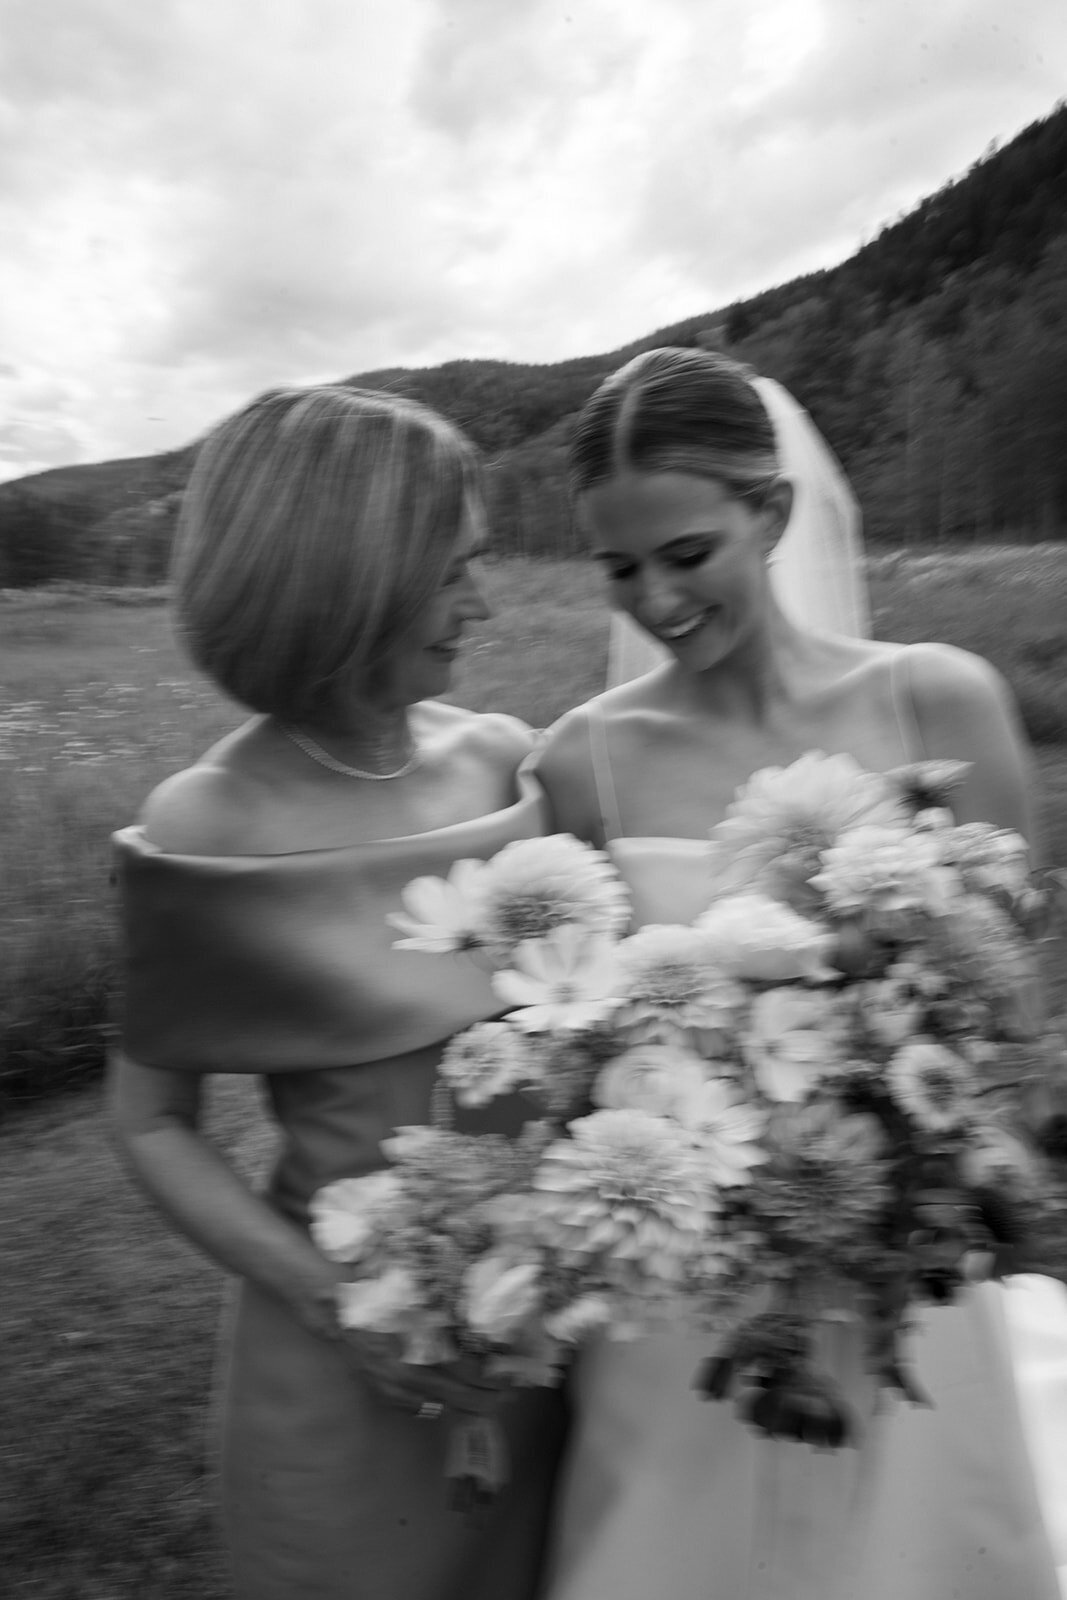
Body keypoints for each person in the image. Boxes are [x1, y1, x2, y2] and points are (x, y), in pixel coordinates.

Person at [534, 346, 1066, 1599]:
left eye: (686, 553)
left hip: (899, 1279)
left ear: (768, 513)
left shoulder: (940, 701)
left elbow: (1011, 1020)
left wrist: (919, 1182)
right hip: (679, 1305)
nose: (656, 601)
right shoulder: (578, 763)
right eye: (619, 568)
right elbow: (571, 1036)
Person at [108, 385, 567, 1600]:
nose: (484, 602)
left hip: (538, 1336)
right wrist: (337, 1302)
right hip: (343, 1358)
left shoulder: (504, 759)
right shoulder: (206, 823)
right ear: (350, 579)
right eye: (453, 571)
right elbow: (148, 1123)